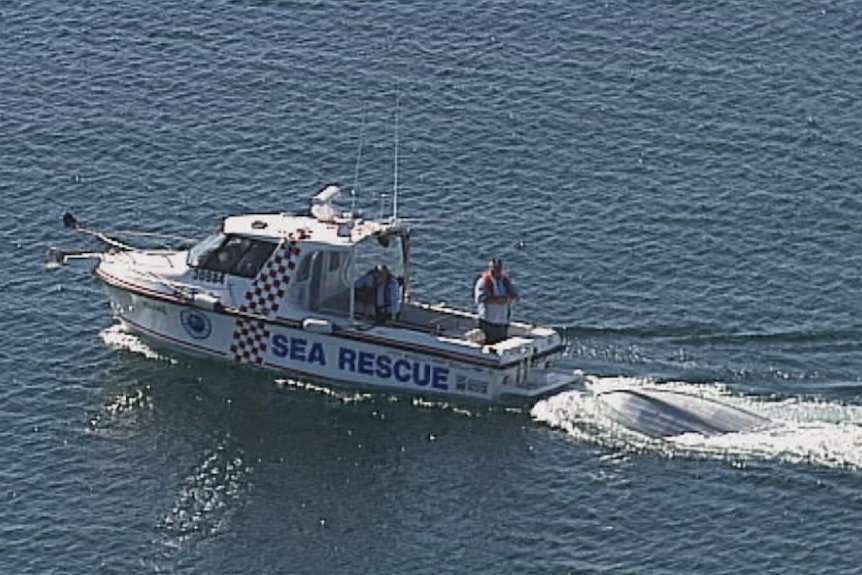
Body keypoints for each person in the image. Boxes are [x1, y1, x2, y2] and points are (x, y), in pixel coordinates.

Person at [474, 258, 519, 344]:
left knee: (502, 342)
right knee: (490, 344)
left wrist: (509, 299)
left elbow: (515, 294)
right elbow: (481, 298)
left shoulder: (506, 281)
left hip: (503, 321)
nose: (496, 271)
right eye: (493, 268)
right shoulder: (483, 282)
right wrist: (498, 301)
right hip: (489, 322)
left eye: (498, 268)